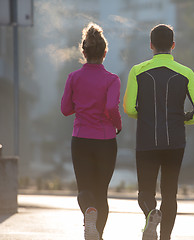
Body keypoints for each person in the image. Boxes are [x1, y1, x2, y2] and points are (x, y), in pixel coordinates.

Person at [123, 24, 194, 240]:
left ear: (151, 46)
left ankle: (150, 215)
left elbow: (129, 108)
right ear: (173, 45)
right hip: (175, 141)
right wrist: (185, 119)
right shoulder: (186, 73)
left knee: (145, 192)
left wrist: (145, 115)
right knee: (170, 193)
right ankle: (165, 237)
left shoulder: (137, 71)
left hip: (146, 141)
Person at [61, 22, 122, 240]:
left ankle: (88, 216)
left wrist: (83, 104)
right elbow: (110, 108)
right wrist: (118, 125)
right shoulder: (112, 79)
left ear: (83, 52)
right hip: (105, 141)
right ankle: (98, 235)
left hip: (81, 139)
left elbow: (65, 109)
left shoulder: (73, 78)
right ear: (105, 52)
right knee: (101, 192)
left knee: (84, 190)